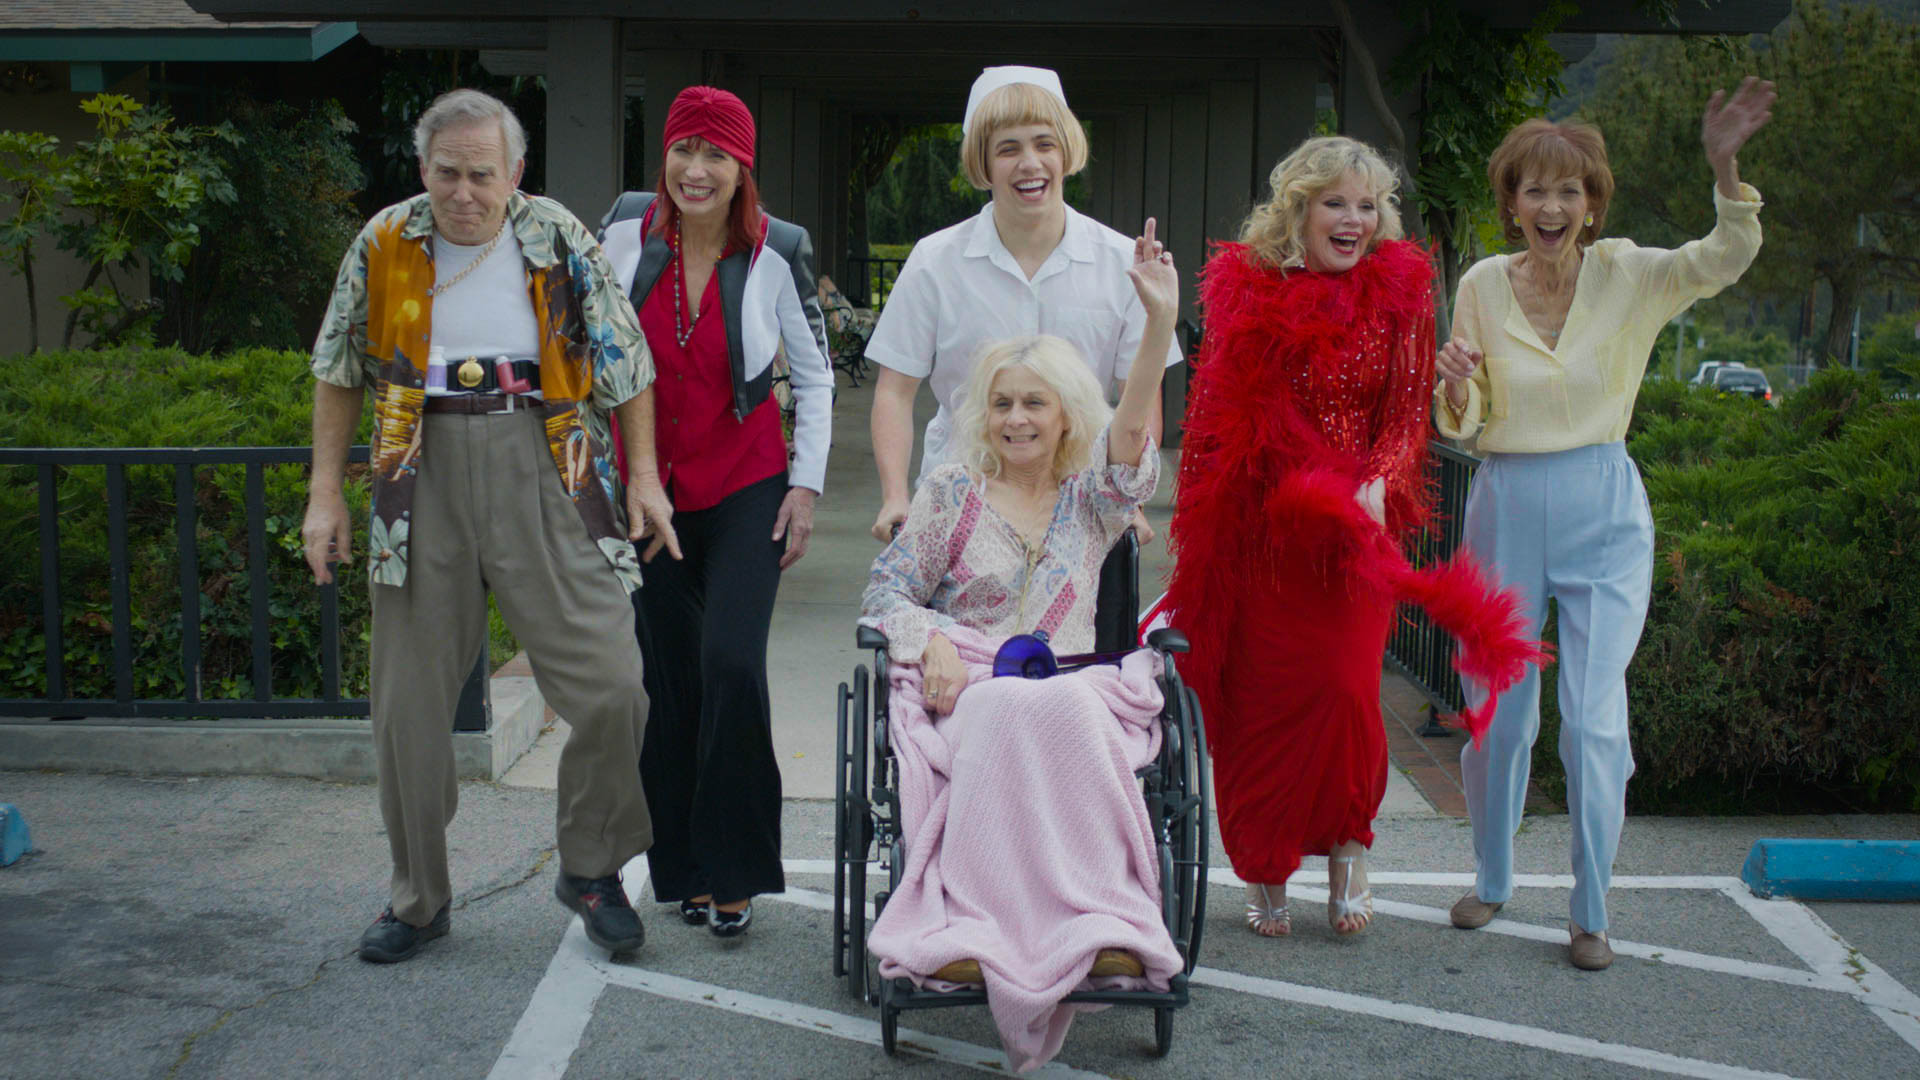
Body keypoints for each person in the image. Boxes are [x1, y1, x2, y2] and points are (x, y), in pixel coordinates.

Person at [301, 89, 680, 964]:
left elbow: (627, 364)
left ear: (515, 172)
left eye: (482, 174)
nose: (463, 192)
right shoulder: (385, 241)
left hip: (549, 458)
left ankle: (591, 867)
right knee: (407, 709)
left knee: (614, 687)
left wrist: (644, 478)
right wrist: (325, 494)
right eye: (447, 173)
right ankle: (418, 899)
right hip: (414, 466)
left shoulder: (557, 236)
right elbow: (337, 366)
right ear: (422, 169)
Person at [1164, 135, 1543, 942]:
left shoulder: (1403, 294)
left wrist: (1380, 477)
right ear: (1298, 210)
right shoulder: (1248, 292)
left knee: (1346, 694)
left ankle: (1348, 850)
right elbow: (1215, 421)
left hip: (1355, 539)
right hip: (1267, 540)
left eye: (1367, 205)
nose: (1353, 219)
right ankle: (1265, 866)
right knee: (1262, 706)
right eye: (1335, 202)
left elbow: (1406, 415)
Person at [1436, 80, 1774, 971]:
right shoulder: (1480, 284)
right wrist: (1456, 381)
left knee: (1591, 721)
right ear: (1512, 204)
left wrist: (1725, 167)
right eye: (1534, 191)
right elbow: (1462, 422)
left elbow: (1724, 256)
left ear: (1591, 204)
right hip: (1505, 503)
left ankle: (1591, 912)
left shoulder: (1630, 273)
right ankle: (1492, 876)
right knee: (1499, 712)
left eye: (1568, 191)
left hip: (1602, 504)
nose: (1551, 206)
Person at [858, 223, 1182, 1073]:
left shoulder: (1094, 497)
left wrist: (1157, 325)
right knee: (1007, 703)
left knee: (1063, 705)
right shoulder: (951, 493)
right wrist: (930, 639)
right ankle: (981, 925)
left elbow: (1132, 443)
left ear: (1068, 412)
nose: (1016, 419)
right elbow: (885, 593)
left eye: (1034, 403)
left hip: (1075, 684)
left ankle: (1099, 923)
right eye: (1001, 404)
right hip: (973, 686)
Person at [597, 86, 834, 939]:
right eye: (683, 151)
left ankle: (736, 869)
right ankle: (686, 871)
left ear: (743, 169)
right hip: (647, 490)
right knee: (670, 678)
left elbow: (814, 376)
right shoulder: (622, 236)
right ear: (664, 157)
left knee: (731, 663)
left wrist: (804, 487)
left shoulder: (778, 252)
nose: (696, 171)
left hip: (745, 487)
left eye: (716, 155)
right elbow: (587, 351)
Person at [865, 65, 1182, 547]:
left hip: (1083, 505)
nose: (1030, 163)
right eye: (1008, 149)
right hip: (961, 504)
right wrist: (894, 496)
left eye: (1044, 144)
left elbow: (1139, 394)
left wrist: (1130, 503)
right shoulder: (935, 260)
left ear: (1066, 152)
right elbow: (895, 391)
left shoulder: (1124, 262)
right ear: (983, 164)